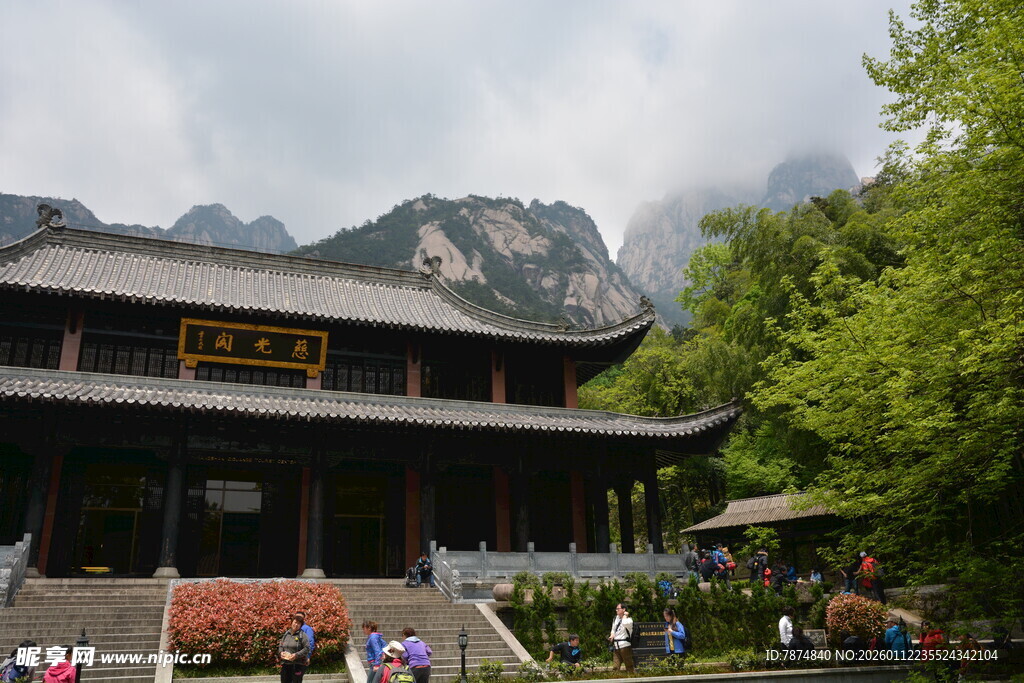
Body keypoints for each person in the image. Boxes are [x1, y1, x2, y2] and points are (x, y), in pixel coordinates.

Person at [279, 615, 310, 683]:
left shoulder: (303, 635)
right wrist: (281, 652)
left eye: (298, 623)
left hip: (297, 665)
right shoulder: (286, 634)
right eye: (295, 622)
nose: (296, 625)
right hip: (285, 664)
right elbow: (281, 645)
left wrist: (296, 655)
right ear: (291, 622)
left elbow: (307, 648)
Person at [608, 602, 634, 673]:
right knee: (615, 667)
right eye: (616, 609)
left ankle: (632, 678)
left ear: (624, 609)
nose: (616, 610)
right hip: (616, 646)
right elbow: (613, 629)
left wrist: (625, 615)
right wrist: (612, 635)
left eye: (618, 609)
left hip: (625, 646)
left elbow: (625, 623)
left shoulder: (629, 620)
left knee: (629, 666)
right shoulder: (615, 619)